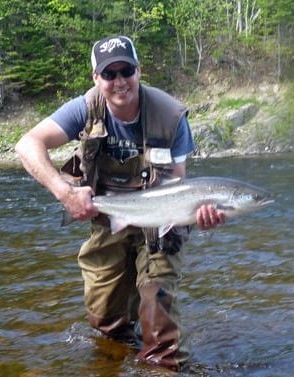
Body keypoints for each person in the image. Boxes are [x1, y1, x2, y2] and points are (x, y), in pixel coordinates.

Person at [15, 35, 225, 370]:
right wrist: (64, 191)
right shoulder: (85, 108)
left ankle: (162, 364)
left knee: (158, 312)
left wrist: (198, 214)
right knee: (105, 322)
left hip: (160, 222)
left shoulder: (170, 115)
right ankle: (114, 360)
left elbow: (179, 185)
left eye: (126, 70)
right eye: (109, 74)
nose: (119, 81)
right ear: (96, 79)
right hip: (109, 215)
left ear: (139, 71)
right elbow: (27, 144)